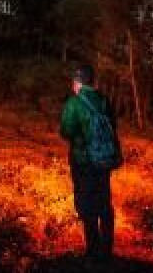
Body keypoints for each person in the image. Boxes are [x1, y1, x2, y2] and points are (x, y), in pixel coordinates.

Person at [59, 63, 118, 260]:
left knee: (86, 203)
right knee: (104, 202)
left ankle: (93, 250)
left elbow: (66, 131)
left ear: (77, 83)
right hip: (103, 160)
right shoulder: (104, 100)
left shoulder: (73, 103)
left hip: (83, 161)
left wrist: (80, 138)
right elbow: (113, 126)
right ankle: (107, 249)